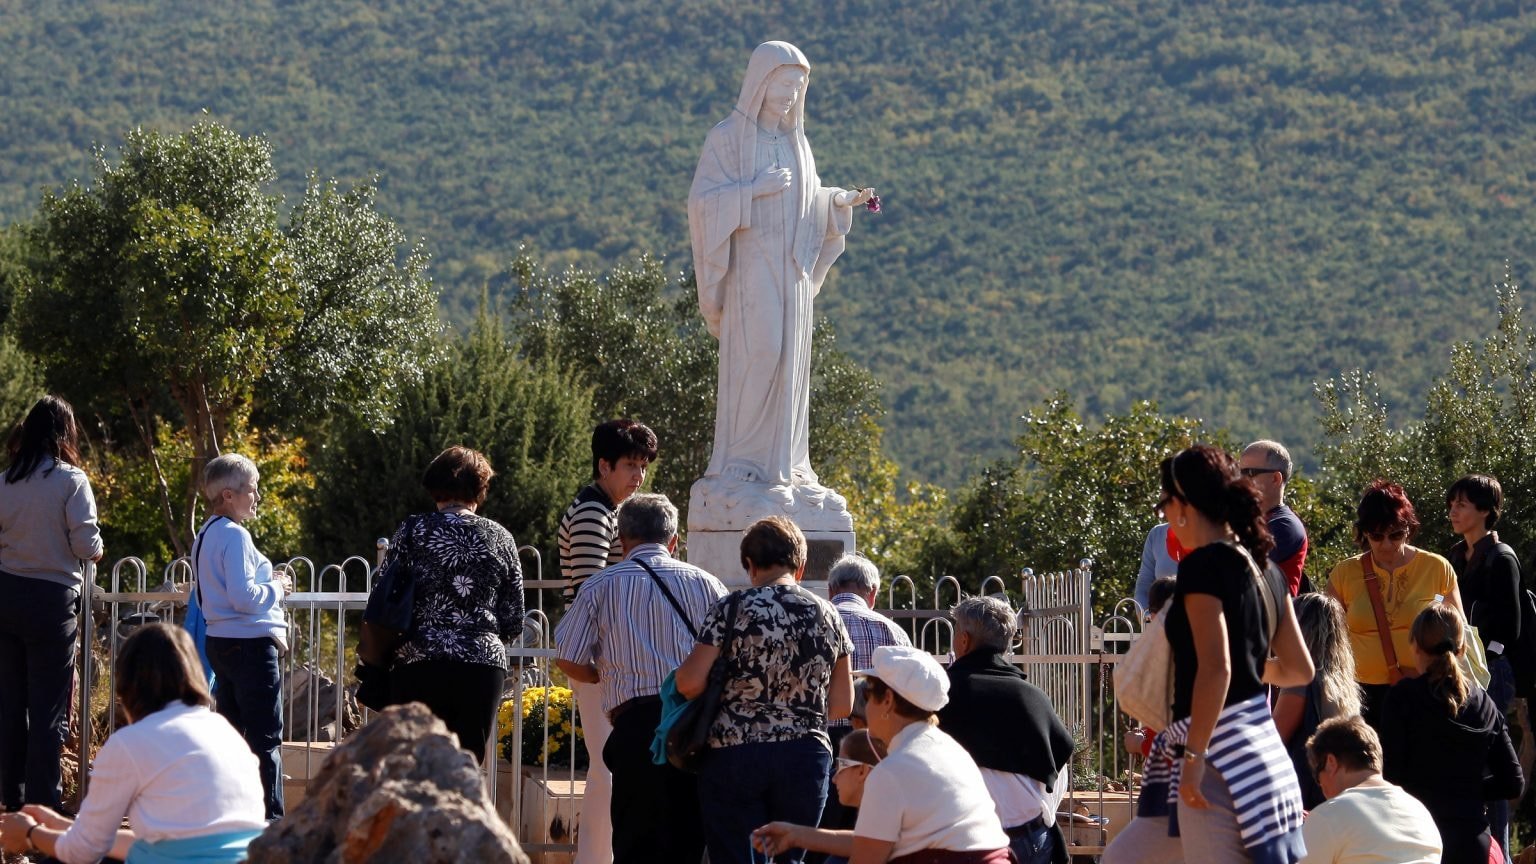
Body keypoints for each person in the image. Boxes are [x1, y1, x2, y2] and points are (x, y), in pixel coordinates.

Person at [687, 40, 875, 516]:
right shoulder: (728, 137)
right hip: (752, 267)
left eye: (798, 85)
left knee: (791, 362)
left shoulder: (797, 142)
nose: (791, 93)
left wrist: (837, 202)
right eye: (783, 82)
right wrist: (753, 191)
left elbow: (807, 198)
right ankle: (742, 463)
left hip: (791, 267)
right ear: (761, 81)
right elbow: (703, 203)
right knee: (763, 351)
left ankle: (786, 465)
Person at [1157, 444, 1314, 863]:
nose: (1166, 517)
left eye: (1165, 505)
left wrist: (1193, 757)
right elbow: (1300, 669)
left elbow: (1216, 668)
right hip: (1262, 757)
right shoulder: (1265, 568)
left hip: (1217, 762)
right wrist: (1250, 666)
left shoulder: (1202, 567)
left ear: (1184, 505)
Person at [554, 493, 726, 864]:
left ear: (621, 541)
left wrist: (603, 675)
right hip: (693, 725)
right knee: (690, 840)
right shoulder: (709, 585)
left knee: (635, 841)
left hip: (634, 723)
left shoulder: (601, 585)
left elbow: (567, 656)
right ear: (674, 541)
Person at [0, 624, 265, 863]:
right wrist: (61, 826)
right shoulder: (224, 731)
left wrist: (31, 834)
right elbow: (161, 848)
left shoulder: (131, 742)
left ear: (127, 684)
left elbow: (82, 852)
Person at [676, 516, 854, 864]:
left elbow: (689, 682)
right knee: (791, 857)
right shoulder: (830, 615)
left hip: (734, 753)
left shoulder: (732, 609)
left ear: (749, 565)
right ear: (800, 566)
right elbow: (843, 704)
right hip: (804, 756)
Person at [749, 645, 1012, 864]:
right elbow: (873, 841)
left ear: (887, 700)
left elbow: (867, 858)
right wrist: (797, 835)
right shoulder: (948, 749)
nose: (861, 704)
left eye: (868, 693)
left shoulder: (893, 771)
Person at [383, 446, 524, 764]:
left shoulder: (413, 530)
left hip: (418, 661)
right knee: (464, 769)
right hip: (480, 665)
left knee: (413, 767)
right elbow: (514, 617)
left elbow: (385, 591)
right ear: (480, 488)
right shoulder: (501, 538)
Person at [558, 418, 657, 864]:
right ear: (604, 465)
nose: (638, 476)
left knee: (608, 769)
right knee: (607, 770)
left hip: (605, 661)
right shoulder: (593, 513)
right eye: (630, 465)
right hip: (600, 662)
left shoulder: (604, 511)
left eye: (642, 466)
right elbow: (590, 591)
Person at [0, 396, 103, 812]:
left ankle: (12, 802)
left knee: (10, 705)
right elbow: (85, 542)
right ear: (66, 433)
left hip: (6, 595)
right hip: (51, 600)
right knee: (48, 708)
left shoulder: (4, 480)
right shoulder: (71, 480)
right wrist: (96, 551)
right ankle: (43, 810)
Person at [1380, 603, 1522, 864]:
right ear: (1463, 649)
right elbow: (1513, 781)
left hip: (1416, 838)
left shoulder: (1403, 698)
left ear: (1415, 647)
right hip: (1471, 842)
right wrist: (1467, 790)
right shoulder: (1483, 703)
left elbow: (1390, 776)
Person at [939, 597, 1074, 864]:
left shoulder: (942, 694)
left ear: (964, 640)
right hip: (1032, 837)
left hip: (969, 844)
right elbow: (1058, 767)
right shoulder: (1033, 696)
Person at [1326, 479, 1463, 728]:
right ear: (1364, 533)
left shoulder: (1437, 568)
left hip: (1424, 692)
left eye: (1396, 534)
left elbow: (1458, 635)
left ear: (1408, 529)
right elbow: (1327, 640)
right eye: (1377, 536)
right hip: (1360, 695)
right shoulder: (1344, 574)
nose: (1387, 544)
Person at [195, 453, 287, 821]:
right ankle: (270, 823)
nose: (257, 496)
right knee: (265, 738)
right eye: (252, 489)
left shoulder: (206, 533)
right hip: (249, 644)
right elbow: (245, 597)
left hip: (220, 641)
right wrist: (278, 587)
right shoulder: (235, 535)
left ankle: (233, 815)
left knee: (234, 737)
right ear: (229, 495)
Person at [1447, 473, 1523, 857]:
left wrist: (1486, 658)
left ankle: (1499, 853)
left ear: (1485, 511)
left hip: (1492, 671)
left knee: (1490, 762)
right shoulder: (1457, 556)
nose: (1453, 510)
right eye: (1453, 503)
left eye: (1462, 503)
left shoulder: (1501, 557)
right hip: (1465, 669)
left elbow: (1510, 626)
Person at [819, 555, 910, 848]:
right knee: (872, 834)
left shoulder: (817, 620)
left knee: (824, 831)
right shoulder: (892, 630)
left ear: (831, 590)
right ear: (872, 593)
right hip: (876, 743)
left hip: (823, 738)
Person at [1102, 577, 1183, 864]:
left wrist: (1141, 743)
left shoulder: (1178, 658)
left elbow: (1180, 732)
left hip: (1177, 790)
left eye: (1151, 614)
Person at [1299, 715, 1442, 864]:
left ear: (1330, 763)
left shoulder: (1328, 816)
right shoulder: (1420, 812)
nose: (1322, 789)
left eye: (1318, 778)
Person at [1274, 593, 1361, 809]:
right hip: (1340, 790)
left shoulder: (1302, 680)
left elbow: (1274, 739)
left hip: (1309, 794)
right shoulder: (1343, 683)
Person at [1239, 440, 1309, 595]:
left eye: (1249, 473)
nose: (1240, 481)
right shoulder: (1252, 520)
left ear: (1275, 479)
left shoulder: (1284, 525)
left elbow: (1239, 569)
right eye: (1238, 473)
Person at [1133, 524, 1182, 614]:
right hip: (1163, 622)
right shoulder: (1156, 534)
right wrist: (1148, 620)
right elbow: (1144, 585)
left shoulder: (1212, 531)